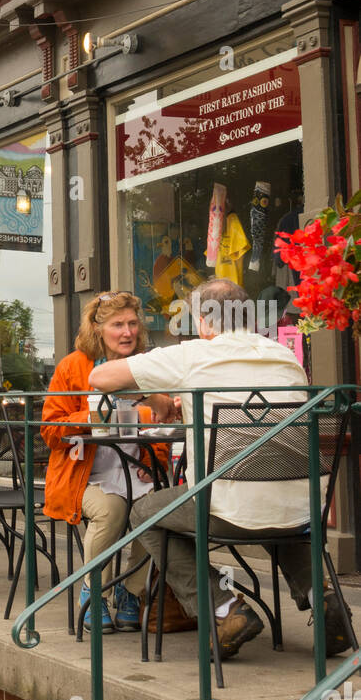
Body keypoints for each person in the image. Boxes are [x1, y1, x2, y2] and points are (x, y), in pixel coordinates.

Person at [90, 278, 353, 659]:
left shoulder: (194, 354)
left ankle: (224, 608)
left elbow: (99, 378)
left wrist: (159, 390)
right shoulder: (285, 355)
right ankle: (324, 598)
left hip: (226, 508)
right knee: (267, 504)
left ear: (203, 320)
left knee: (146, 513)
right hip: (303, 507)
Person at [41, 292, 168, 632]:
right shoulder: (73, 366)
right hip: (82, 476)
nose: (127, 332)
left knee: (156, 510)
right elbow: (50, 432)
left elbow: (163, 425)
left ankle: (131, 592)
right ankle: (92, 592)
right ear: (97, 329)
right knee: (112, 509)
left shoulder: (145, 365)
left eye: (131, 323)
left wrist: (152, 459)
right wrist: (90, 416)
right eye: (117, 325)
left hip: (134, 472)